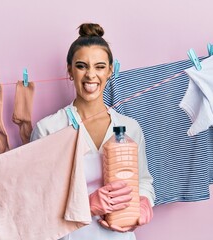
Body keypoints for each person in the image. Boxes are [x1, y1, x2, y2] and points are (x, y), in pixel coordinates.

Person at [31, 23, 155, 240]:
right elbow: (36, 201)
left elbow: (143, 181)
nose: (91, 75)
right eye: (81, 66)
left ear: (110, 70)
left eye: (99, 66)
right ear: (69, 70)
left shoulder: (130, 127)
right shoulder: (49, 129)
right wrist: (86, 205)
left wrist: (144, 203)